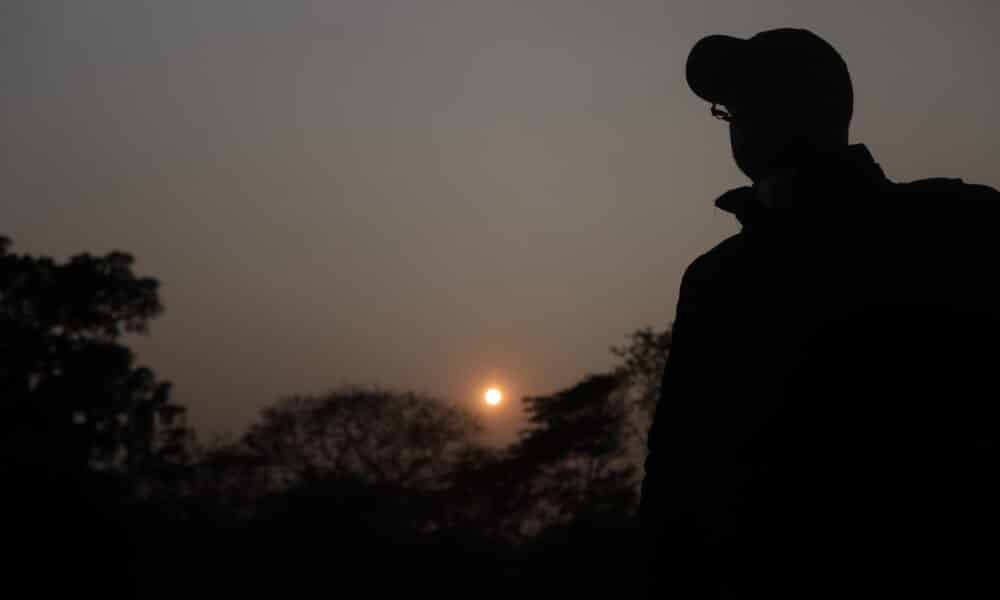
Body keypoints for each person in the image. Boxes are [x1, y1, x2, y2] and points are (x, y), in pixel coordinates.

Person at [640, 28, 1000, 598]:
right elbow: (676, 486)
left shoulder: (960, 224)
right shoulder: (715, 279)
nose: (737, 122)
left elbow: (674, 488)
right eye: (730, 108)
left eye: (747, 102)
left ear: (805, 105)